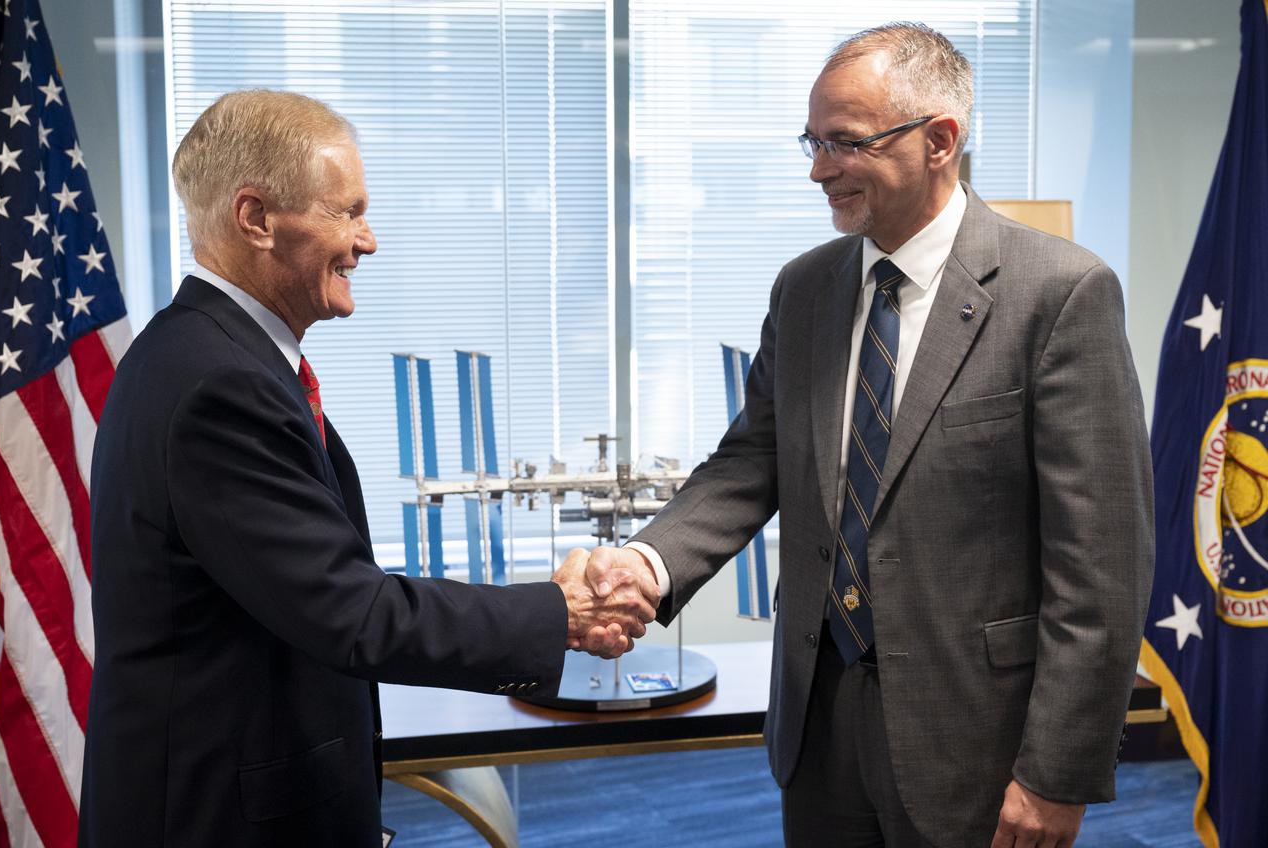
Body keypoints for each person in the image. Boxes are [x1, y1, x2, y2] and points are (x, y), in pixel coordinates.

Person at [582, 22, 1154, 847]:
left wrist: (1057, 772)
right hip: (818, 720)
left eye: (845, 143)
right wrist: (649, 562)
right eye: (813, 142)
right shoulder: (805, 288)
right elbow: (753, 460)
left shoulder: (1059, 293)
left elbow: (1101, 565)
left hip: (979, 736)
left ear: (939, 141)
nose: (819, 170)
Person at [78, 90, 657, 847]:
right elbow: (352, 613)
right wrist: (560, 613)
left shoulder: (205, 355)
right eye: (346, 212)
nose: (368, 240)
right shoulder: (219, 385)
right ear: (256, 218)